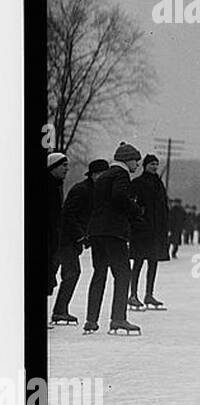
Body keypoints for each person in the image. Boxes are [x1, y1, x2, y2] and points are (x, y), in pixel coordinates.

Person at [85, 141, 143, 334]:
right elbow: (119, 197)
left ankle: (91, 320)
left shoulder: (103, 176)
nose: (137, 165)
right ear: (128, 160)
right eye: (136, 161)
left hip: (97, 231)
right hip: (114, 232)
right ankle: (118, 318)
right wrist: (134, 209)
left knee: (99, 273)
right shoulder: (121, 174)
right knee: (123, 274)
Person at [52, 159, 106, 325]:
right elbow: (69, 215)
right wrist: (81, 235)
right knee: (70, 273)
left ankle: (60, 310)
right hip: (64, 239)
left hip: (71, 240)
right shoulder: (82, 190)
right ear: (95, 174)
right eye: (103, 174)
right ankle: (59, 311)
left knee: (65, 273)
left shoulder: (95, 190)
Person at [127, 154, 170, 310]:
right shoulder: (137, 183)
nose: (154, 167)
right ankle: (133, 295)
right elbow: (131, 205)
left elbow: (163, 206)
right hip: (141, 230)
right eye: (152, 164)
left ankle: (149, 294)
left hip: (156, 230)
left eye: (156, 164)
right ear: (145, 165)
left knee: (153, 262)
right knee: (138, 262)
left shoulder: (159, 184)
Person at [46, 152, 70, 325]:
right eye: (63, 165)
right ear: (53, 167)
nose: (66, 169)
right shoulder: (48, 186)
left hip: (54, 239)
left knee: (49, 277)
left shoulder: (57, 185)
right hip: (48, 239)